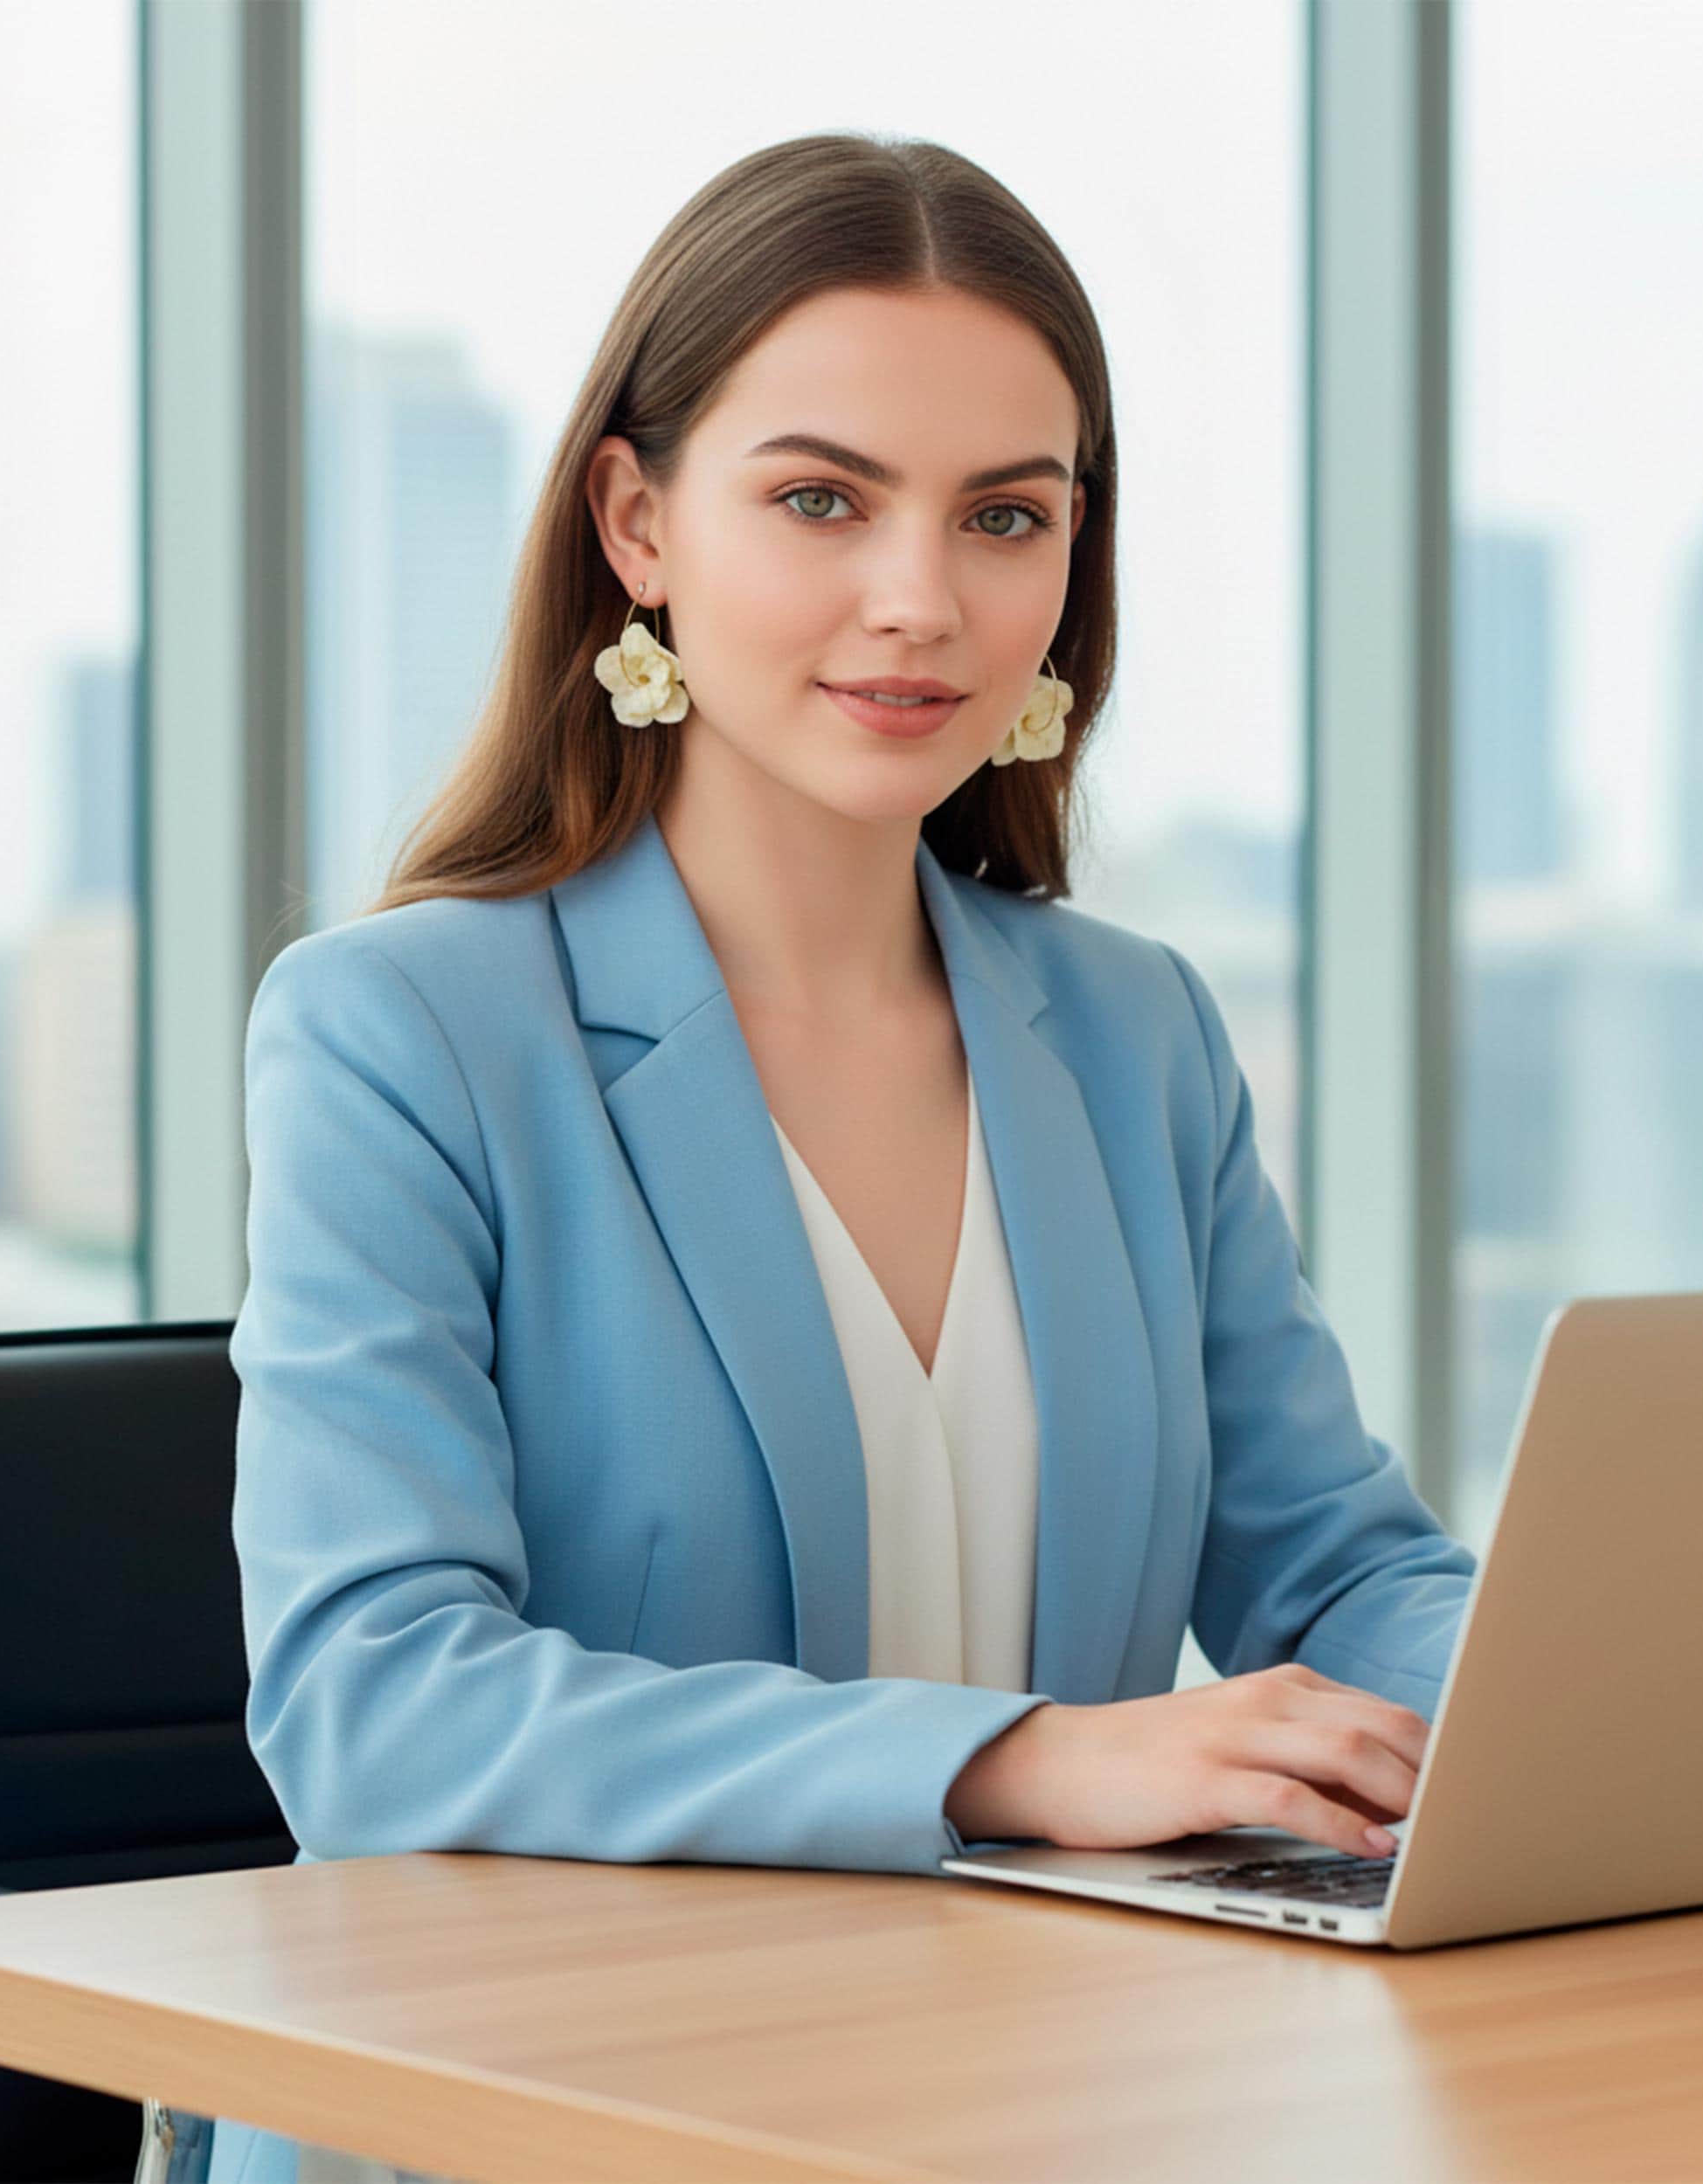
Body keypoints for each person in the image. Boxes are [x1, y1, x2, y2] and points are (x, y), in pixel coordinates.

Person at [197, 130, 1478, 2184]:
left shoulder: (1130, 1031)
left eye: (1004, 515)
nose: (919, 601)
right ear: (635, 521)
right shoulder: (403, 1029)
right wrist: (1016, 1758)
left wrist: (1606, 1716)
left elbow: (1330, 1568)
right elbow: (378, 1704)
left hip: (1007, 2108)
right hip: (530, 2123)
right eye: (819, 499)